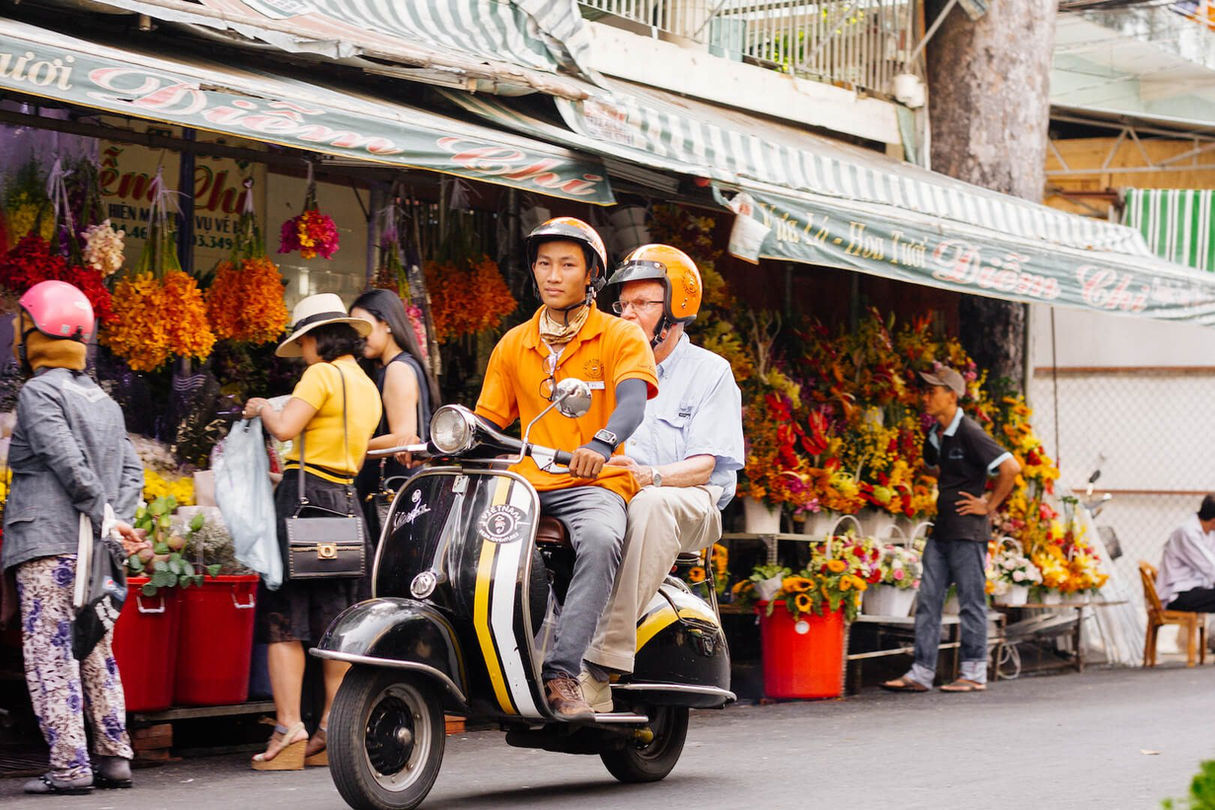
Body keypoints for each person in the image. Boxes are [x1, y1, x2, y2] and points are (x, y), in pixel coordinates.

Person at [475, 217, 658, 721]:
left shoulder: (619, 335)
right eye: (543, 263)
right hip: (522, 484)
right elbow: (488, 421)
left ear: (591, 274)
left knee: (600, 541)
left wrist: (601, 442)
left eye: (567, 265)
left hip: (592, 483)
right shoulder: (515, 343)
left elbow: (633, 401)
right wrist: (436, 442)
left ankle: (562, 673)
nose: (552, 275)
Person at [579, 244, 744, 711]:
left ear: (676, 310)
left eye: (643, 304)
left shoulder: (710, 373)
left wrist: (650, 476)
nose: (628, 315)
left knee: (649, 504)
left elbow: (705, 466)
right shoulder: (602, 367)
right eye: (623, 304)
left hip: (688, 503)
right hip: (611, 498)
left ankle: (599, 666)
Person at [2, 281, 147, 795]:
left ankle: (69, 767)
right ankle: (113, 756)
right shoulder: (103, 401)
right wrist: (114, 520)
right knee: (93, 648)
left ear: (39, 331)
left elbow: (67, 462)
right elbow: (132, 473)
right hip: (94, 554)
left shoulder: (39, 392)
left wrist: (105, 518)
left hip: (47, 545)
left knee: (50, 654)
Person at [241, 293, 381, 770]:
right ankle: (328, 728)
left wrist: (261, 407)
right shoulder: (367, 385)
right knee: (333, 621)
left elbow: (285, 427)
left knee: (284, 619)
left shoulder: (320, 374)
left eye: (302, 342)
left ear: (316, 339)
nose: (301, 351)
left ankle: (288, 728)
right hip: (343, 505)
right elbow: (354, 458)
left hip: (301, 502)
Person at [882, 366, 1020, 694]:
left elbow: (1011, 468)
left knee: (971, 601)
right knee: (928, 599)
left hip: (968, 533)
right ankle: (922, 672)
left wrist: (987, 505)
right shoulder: (934, 434)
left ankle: (974, 673)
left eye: (933, 392)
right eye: (925, 391)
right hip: (942, 530)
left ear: (952, 396)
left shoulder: (970, 431)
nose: (925, 397)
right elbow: (936, 468)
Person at [349, 288, 440, 542]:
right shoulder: (405, 364)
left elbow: (404, 438)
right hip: (403, 491)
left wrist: (349, 448)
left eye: (363, 327)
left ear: (386, 324)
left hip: (390, 492)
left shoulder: (397, 369)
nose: (359, 337)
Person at [1155, 494, 1215, 612]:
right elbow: (1210, 567)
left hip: (1195, 588)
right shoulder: (1187, 533)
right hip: (1177, 595)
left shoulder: (1209, 533)